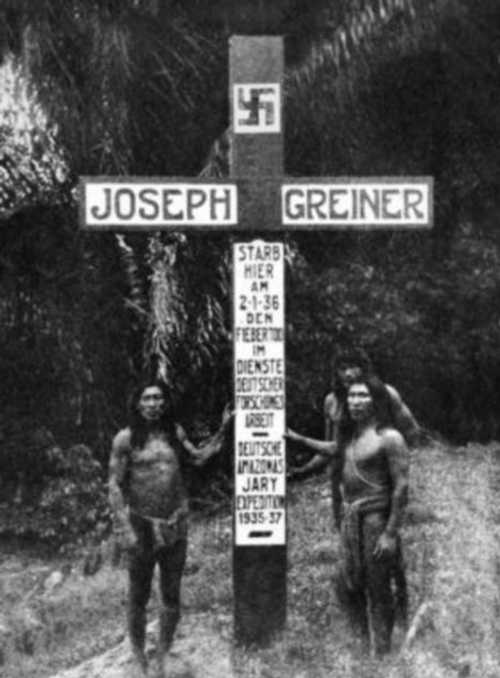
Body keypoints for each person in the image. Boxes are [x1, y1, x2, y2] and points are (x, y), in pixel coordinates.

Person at [108, 379, 232, 677]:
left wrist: (224, 428)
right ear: (137, 403)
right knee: (138, 595)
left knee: (171, 593)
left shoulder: (174, 433)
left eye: (158, 398)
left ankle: (163, 652)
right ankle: (138, 655)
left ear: (165, 403)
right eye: (147, 399)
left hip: (175, 523)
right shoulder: (126, 439)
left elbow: (200, 457)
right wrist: (123, 526)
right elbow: (114, 483)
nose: (153, 404)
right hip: (141, 525)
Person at [296, 375, 409, 655]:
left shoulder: (390, 438)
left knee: (378, 588)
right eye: (352, 396)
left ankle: (382, 654)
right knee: (346, 585)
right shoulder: (349, 436)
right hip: (351, 520)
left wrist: (390, 533)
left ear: (377, 400)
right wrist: (294, 438)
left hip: (375, 519)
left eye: (363, 396)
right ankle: (361, 648)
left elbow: (401, 487)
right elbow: (332, 450)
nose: (356, 402)